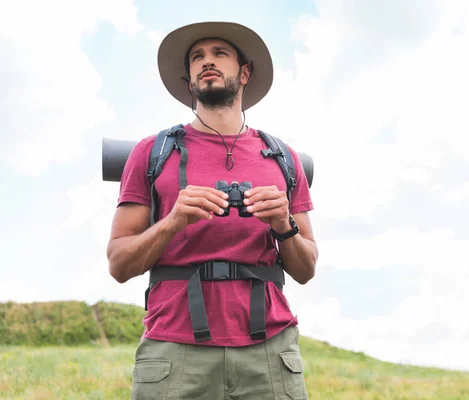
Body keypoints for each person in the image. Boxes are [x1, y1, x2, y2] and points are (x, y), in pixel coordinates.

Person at [106, 21, 318, 399]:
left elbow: (306, 269)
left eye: (220, 54)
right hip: (174, 350)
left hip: (269, 350)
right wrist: (173, 222)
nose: (207, 62)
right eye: (197, 58)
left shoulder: (283, 157)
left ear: (245, 72)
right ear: (189, 80)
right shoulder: (152, 152)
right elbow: (119, 264)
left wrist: (283, 225)